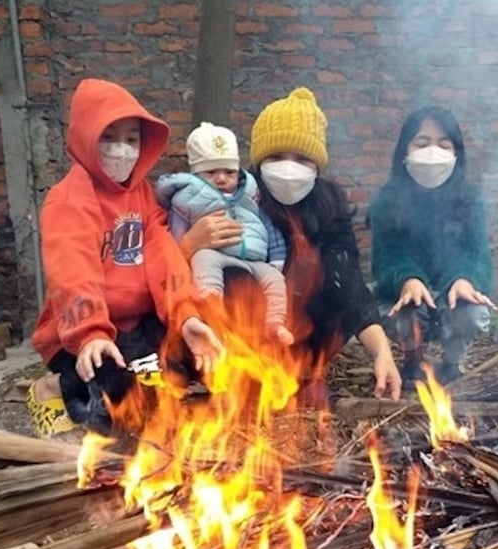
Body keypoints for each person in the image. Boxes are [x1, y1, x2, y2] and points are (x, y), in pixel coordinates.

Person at [26, 78, 224, 438]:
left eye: (131, 139)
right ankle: (52, 388)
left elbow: (162, 252)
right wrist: (90, 334)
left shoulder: (140, 192)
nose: (122, 150)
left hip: (138, 327)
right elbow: (73, 271)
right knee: (117, 402)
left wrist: (186, 315)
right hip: (86, 334)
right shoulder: (69, 199)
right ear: (86, 137)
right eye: (109, 137)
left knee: (194, 365)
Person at [177, 87, 402, 404]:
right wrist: (190, 244)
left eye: (301, 159)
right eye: (276, 157)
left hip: (301, 336)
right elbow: (173, 270)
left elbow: (350, 285)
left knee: (334, 282)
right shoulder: (230, 201)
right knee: (232, 278)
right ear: (258, 161)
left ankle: (302, 376)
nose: (288, 167)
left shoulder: (330, 210)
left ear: (317, 166)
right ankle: (238, 379)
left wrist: (382, 352)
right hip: (238, 335)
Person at [369, 105, 496, 385]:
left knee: (470, 311)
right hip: (407, 294)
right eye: (422, 143)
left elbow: (477, 254)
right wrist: (408, 279)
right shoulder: (387, 201)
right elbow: (385, 257)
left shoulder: (470, 199)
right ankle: (412, 360)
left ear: (456, 154)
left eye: (443, 144)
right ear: (405, 151)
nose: (432, 152)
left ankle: (452, 363)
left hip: (450, 295)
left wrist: (465, 279)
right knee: (407, 309)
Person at [154, 122, 293, 345]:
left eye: (229, 172)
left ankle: (275, 324)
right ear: (196, 173)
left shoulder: (250, 195)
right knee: (204, 261)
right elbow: (176, 231)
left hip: (255, 259)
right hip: (214, 253)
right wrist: (185, 247)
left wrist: (277, 258)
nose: (221, 178)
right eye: (211, 172)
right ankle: (212, 307)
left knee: (276, 280)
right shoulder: (187, 198)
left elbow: (266, 225)